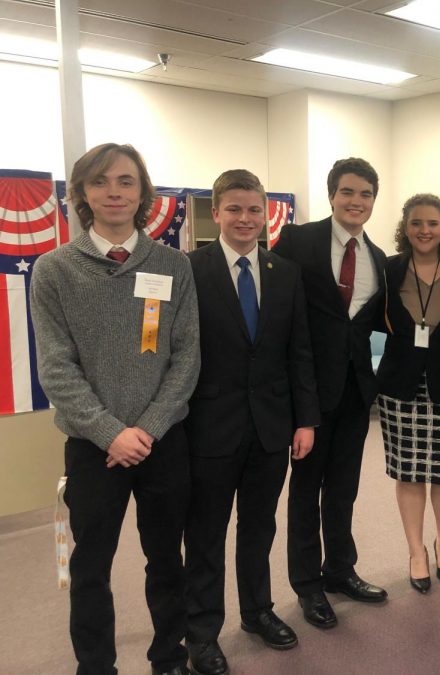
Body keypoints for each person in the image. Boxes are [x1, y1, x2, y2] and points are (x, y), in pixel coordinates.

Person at [30, 143, 200, 675]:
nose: (114, 193)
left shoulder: (173, 265)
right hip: (92, 448)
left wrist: (145, 429)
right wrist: (111, 434)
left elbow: (187, 356)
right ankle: (96, 664)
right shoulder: (53, 269)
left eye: (126, 182)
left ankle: (168, 655)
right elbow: (57, 369)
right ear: (81, 193)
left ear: (142, 193)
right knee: (91, 566)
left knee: (166, 560)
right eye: (100, 182)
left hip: (163, 441)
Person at [183, 170, 320, 675]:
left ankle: (257, 611)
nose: (245, 219)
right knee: (206, 534)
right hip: (209, 427)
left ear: (268, 215)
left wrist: (305, 420)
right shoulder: (189, 270)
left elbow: (298, 351)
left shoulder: (284, 271)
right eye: (234, 209)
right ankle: (200, 632)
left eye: (254, 210)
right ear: (215, 213)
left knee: (259, 526)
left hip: (271, 427)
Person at [272, 157, 388, 629]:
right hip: (308, 395)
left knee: (343, 490)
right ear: (331, 195)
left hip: (357, 394)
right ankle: (307, 585)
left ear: (373, 201)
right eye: (347, 192)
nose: (356, 202)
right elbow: (277, 309)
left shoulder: (378, 258)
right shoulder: (298, 241)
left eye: (365, 194)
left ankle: (340, 570)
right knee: (305, 492)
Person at [376, 194, 440, 593]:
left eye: (432, 223)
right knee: (409, 473)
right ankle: (416, 551)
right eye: (416, 223)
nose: (424, 230)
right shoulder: (389, 269)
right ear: (406, 227)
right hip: (400, 387)